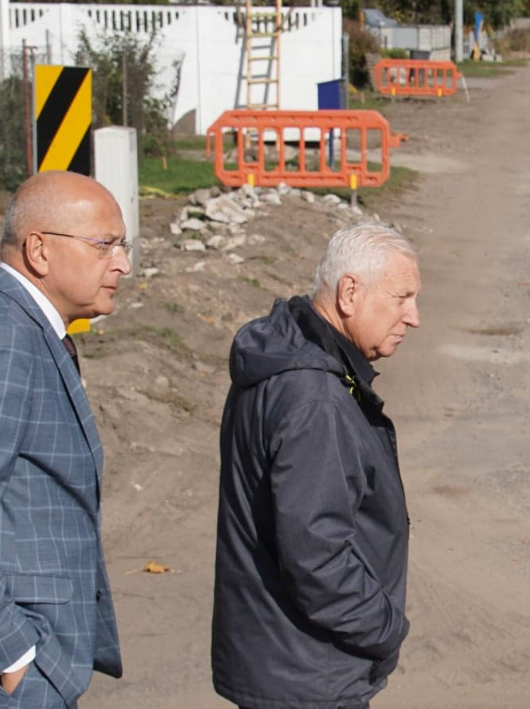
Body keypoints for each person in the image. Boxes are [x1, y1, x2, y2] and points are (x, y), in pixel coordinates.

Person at [0, 171, 129, 707]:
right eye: (105, 245)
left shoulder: (18, 329)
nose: (123, 264)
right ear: (39, 250)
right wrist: (11, 655)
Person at [212, 221, 421, 709]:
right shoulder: (314, 395)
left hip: (281, 661)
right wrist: (386, 627)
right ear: (350, 292)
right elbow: (317, 555)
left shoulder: (283, 356)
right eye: (402, 297)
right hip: (309, 675)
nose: (413, 316)